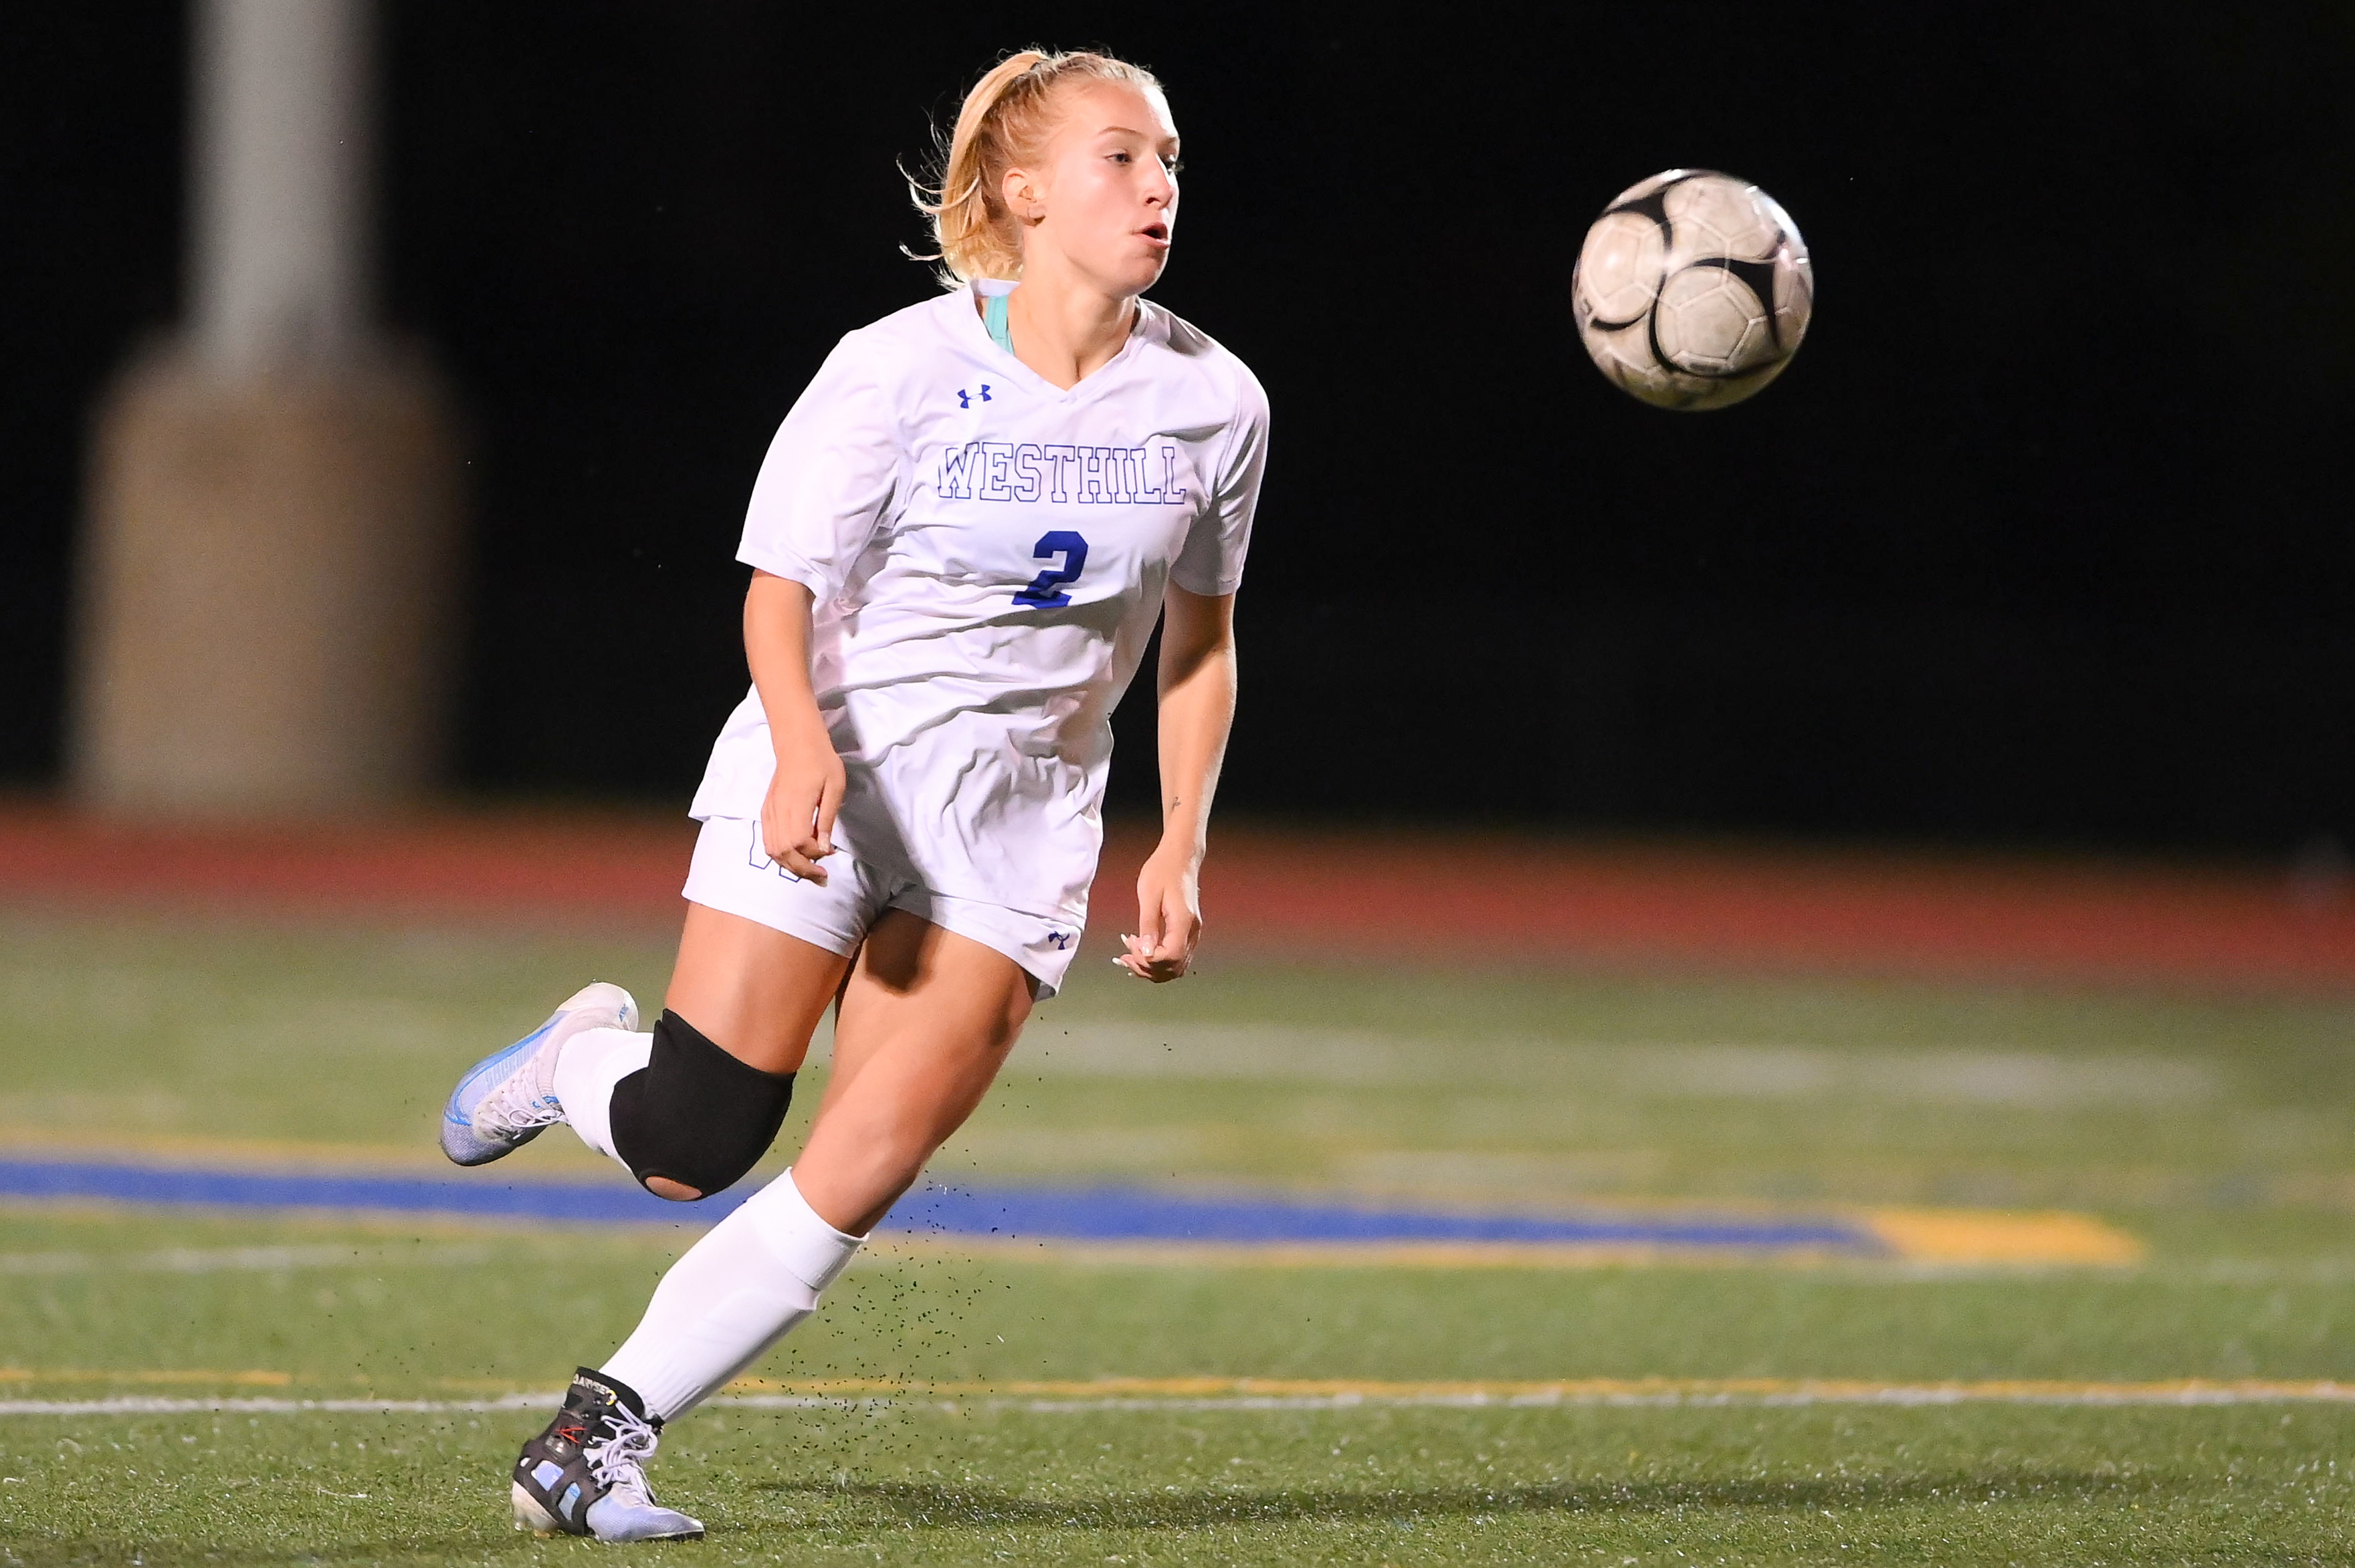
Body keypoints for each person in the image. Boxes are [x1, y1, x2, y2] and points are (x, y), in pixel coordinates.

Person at [434, 48, 1267, 1542]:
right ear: (1023, 192)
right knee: (694, 1142)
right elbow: (780, 591)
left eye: (1171, 164)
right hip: (838, 763)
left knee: (857, 1171)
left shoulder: (1217, 400)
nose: (1159, 191)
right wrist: (805, 744)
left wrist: (1183, 846)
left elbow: (1198, 647)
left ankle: (592, 1444)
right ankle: (577, 1065)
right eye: (1123, 160)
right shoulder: (892, 367)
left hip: (1017, 829)